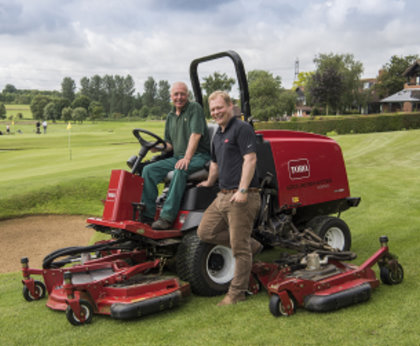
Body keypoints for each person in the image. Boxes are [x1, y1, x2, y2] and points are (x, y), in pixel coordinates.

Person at [197, 90, 262, 306]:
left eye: (220, 107)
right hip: (222, 195)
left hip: (242, 196)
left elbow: (250, 159)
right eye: (213, 109)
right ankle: (251, 245)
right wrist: (208, 182)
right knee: (205, 231)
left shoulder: (242, 129)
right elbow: (215, 164)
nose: (216, 112)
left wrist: (242, 190)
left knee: (238, 249)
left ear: (230, 106)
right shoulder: (217, 134)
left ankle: (236, 294)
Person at [141, 81, 211, 230]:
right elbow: (169, 145)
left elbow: (196, 135)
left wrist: (186, 158)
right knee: (148, 170)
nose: (179, 97)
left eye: (182, 94)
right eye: (176, 94)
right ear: (170, 96)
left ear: (187, 95)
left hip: (199, 156)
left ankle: (167, 217)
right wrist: (158, 147)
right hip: (177, 156)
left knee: (180, 169)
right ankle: (147, 216)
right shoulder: (170, 116)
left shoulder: (194, 108)